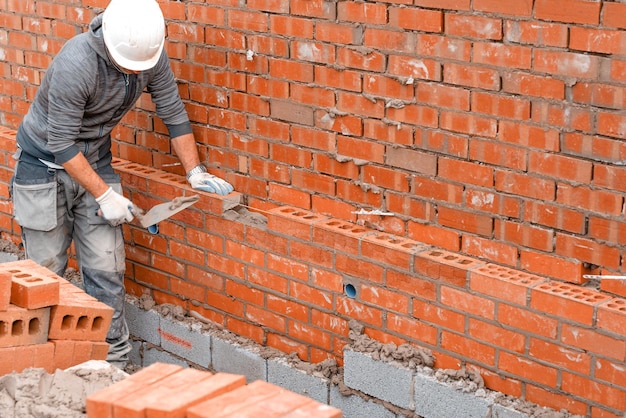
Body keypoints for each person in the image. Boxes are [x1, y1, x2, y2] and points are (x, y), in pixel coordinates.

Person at [10, 0, 233, 368]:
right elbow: (62, 145)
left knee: (106, 267)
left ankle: (111, 367)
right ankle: (40, 368)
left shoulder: (149, 53)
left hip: (96, 161)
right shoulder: (76, 63)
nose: (135, 70)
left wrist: (196, 173)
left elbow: (173, 113)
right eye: (127, 64)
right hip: (44, 166)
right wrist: (106, 195)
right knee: (46, 271)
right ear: (110, 45)